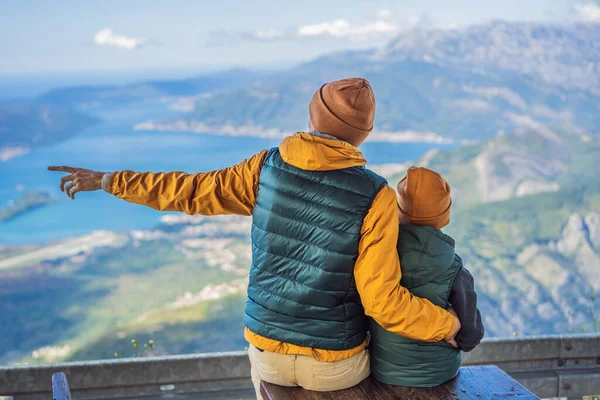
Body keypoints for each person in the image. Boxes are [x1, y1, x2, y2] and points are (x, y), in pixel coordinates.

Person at [49, 78, 460, 398]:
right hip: (334, 365)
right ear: (363, 134)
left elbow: (188, 191)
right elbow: (382, 302)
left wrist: (107, 180)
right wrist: (446, 323)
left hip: (267, 353)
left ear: (313, 116)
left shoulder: (265, 168)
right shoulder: (376, 195)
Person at [369, 166, 484, 387]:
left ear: (398, 211)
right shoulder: (454, 268)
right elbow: (471, 336)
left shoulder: (378, 257)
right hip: (439, 373)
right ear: (444, 218)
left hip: (382, 369)